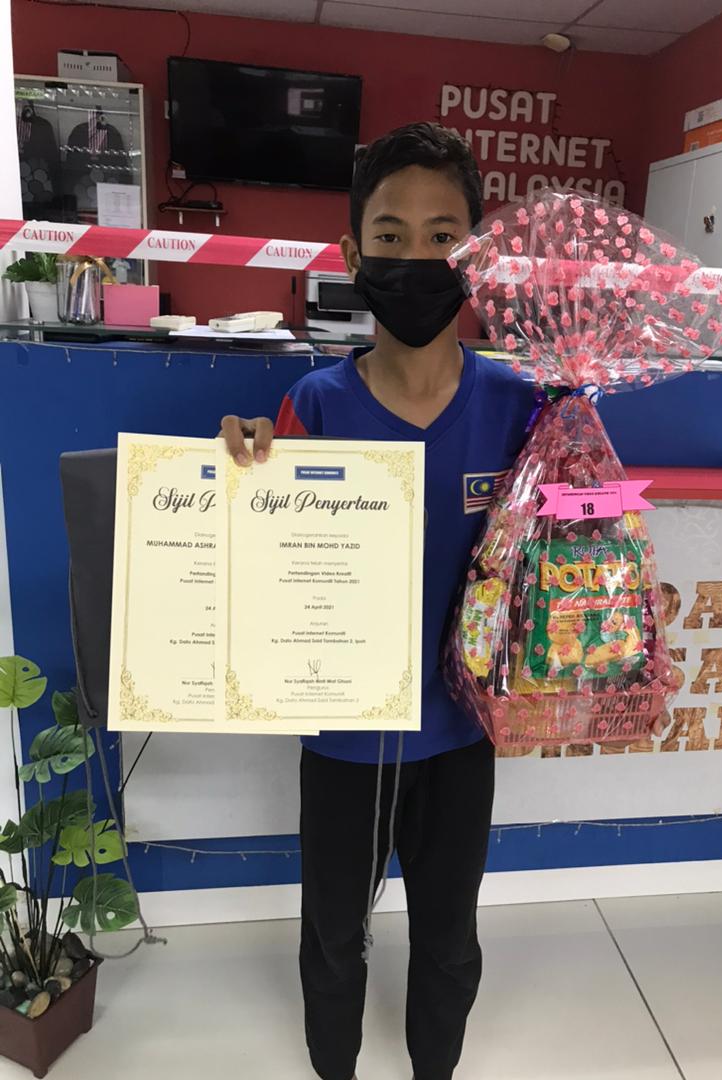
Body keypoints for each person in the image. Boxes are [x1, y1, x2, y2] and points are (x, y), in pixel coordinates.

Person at [220, 122, 537, 1080]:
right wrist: (240, 471)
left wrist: (582, 465)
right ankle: (335, 1065)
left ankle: (436, 1064)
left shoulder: (521, 409)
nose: (416, 258)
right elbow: (257, 560)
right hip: (343, 737)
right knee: (333, 932)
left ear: (473, 257)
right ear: (353, 254)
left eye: (443, 236)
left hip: (461, 733)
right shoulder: (315, 407)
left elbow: (554, 560)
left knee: (450, 932)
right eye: (390, 236)